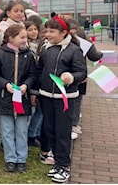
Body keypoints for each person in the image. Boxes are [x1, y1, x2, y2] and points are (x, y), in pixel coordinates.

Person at [37, 16, 87, 183]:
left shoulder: (74, 50)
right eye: (47, 31)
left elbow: (82, 72)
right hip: (46, 96)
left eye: (52, 31)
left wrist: (71, 77)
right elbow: (40, 70)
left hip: (65, 98)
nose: (47, 34)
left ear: (64, 32)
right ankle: (57, 163)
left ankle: (64, 166)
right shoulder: (45, 48)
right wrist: (34, 92)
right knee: (50, 129)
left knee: (62, 132)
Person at [0, 24, 37, 173]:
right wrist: (5, 85)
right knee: (7, 131)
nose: (25, 40)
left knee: (22, 130)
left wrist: (26, 86)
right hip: (5, 99)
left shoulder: (29, 55)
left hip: (22, 99)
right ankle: (10, 159)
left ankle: (21, 159)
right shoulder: (0, 54)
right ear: (11, 38)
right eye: (22, 37)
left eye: (25, 37)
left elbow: (32, 75)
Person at [65, 18, 103, 139]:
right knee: (76, 101)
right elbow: (94, 56)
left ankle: (68, 125)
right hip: (80, 76)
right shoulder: (85, 42)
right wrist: (102, 53)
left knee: (67, 101)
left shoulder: (62, 41)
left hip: (64, 75)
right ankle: (73, 125)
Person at [24, 21, 43, 148]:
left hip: (41, 84)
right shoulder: (26, 48)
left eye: (35, 29)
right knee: (32, 111)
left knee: (40, 111)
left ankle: (35, 133)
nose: (33, 32)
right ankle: (29, 135)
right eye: (30, 29)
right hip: (31, 86)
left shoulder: (41, 44)